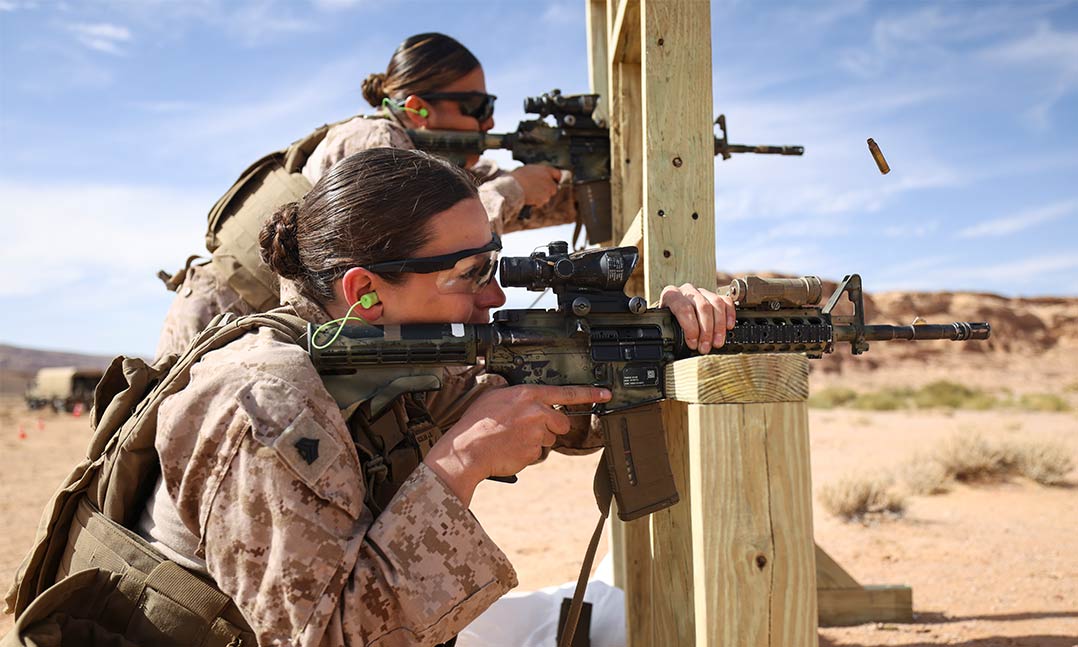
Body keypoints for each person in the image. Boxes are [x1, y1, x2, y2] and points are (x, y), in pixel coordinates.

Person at [134, 148, 736, 646]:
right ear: (365, 291)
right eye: (469, 273)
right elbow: (322, 638)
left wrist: (667, 336)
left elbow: (562, 404)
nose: (495, 297)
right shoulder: (266, 402)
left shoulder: (395, 354)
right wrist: (461, 463)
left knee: (609, 619)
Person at [155, 32, 575, 360]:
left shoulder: (424, 159)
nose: (490, 121)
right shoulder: (372, 141)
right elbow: (411, 239)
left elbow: (490, 204)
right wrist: (514, 188)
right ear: (417, 108)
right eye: (477, 106)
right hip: (222, 313)